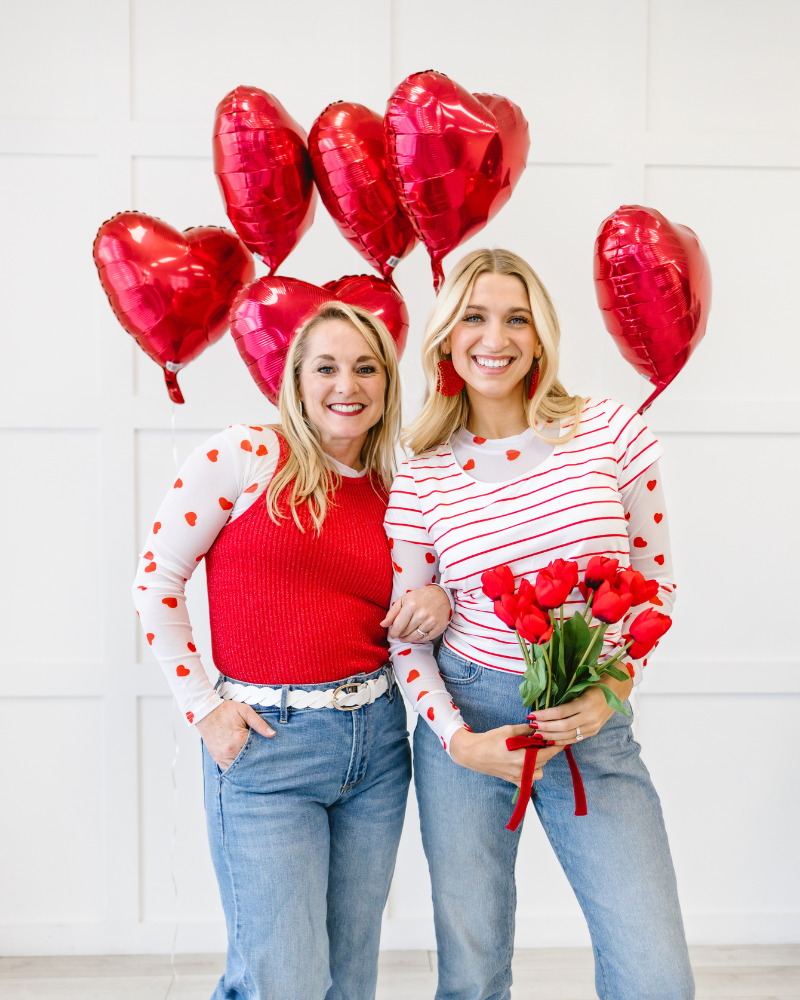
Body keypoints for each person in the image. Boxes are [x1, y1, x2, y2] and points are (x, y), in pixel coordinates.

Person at [383, 249, 694, 1000]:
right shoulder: (421, 470)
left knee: (656, 977)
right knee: (473, 971)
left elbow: (655, 586)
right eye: (475, 318)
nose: (497, 338)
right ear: (447, 338)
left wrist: (612, 686)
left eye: (516, 318)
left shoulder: (610, 431)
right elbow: (406, 630)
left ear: (542, 333)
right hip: (470, 719)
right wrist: (456, 737)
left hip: (590, 718)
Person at [133, 302, 451, 1000]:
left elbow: (417, 611)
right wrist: (203, 707)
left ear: (389, 383)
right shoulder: (242, 456)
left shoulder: (400, 491)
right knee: (282, 979)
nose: (348, 384)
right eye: (327, 367)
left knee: (348, 974)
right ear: (296, 381)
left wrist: (442, 601)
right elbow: (156, 581)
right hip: (267, 745)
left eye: (367, 367)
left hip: (376, 749)